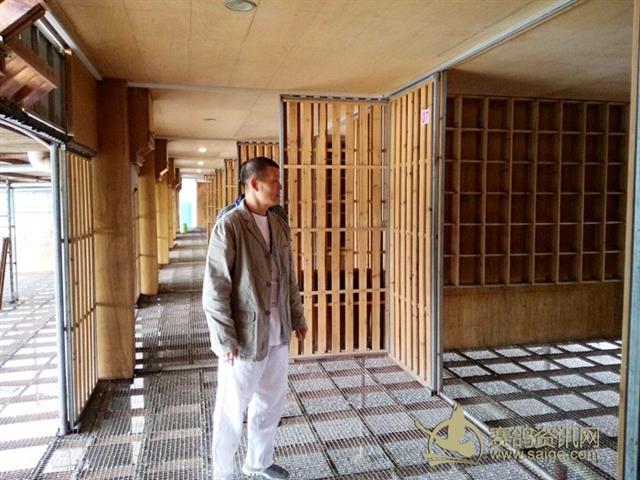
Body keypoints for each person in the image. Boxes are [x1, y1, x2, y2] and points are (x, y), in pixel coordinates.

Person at [203, 156, 307, 480]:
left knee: (270, 403)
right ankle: (222, 474)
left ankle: (258, 462)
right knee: (231, 411)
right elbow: (215, 288)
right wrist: (225, 339)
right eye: (274, 180)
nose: (279, 186)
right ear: (254, 183)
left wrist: (297, 317)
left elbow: (288, 276)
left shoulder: (278, 223)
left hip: (277, 332)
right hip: (243, 338)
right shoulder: (231, 225)